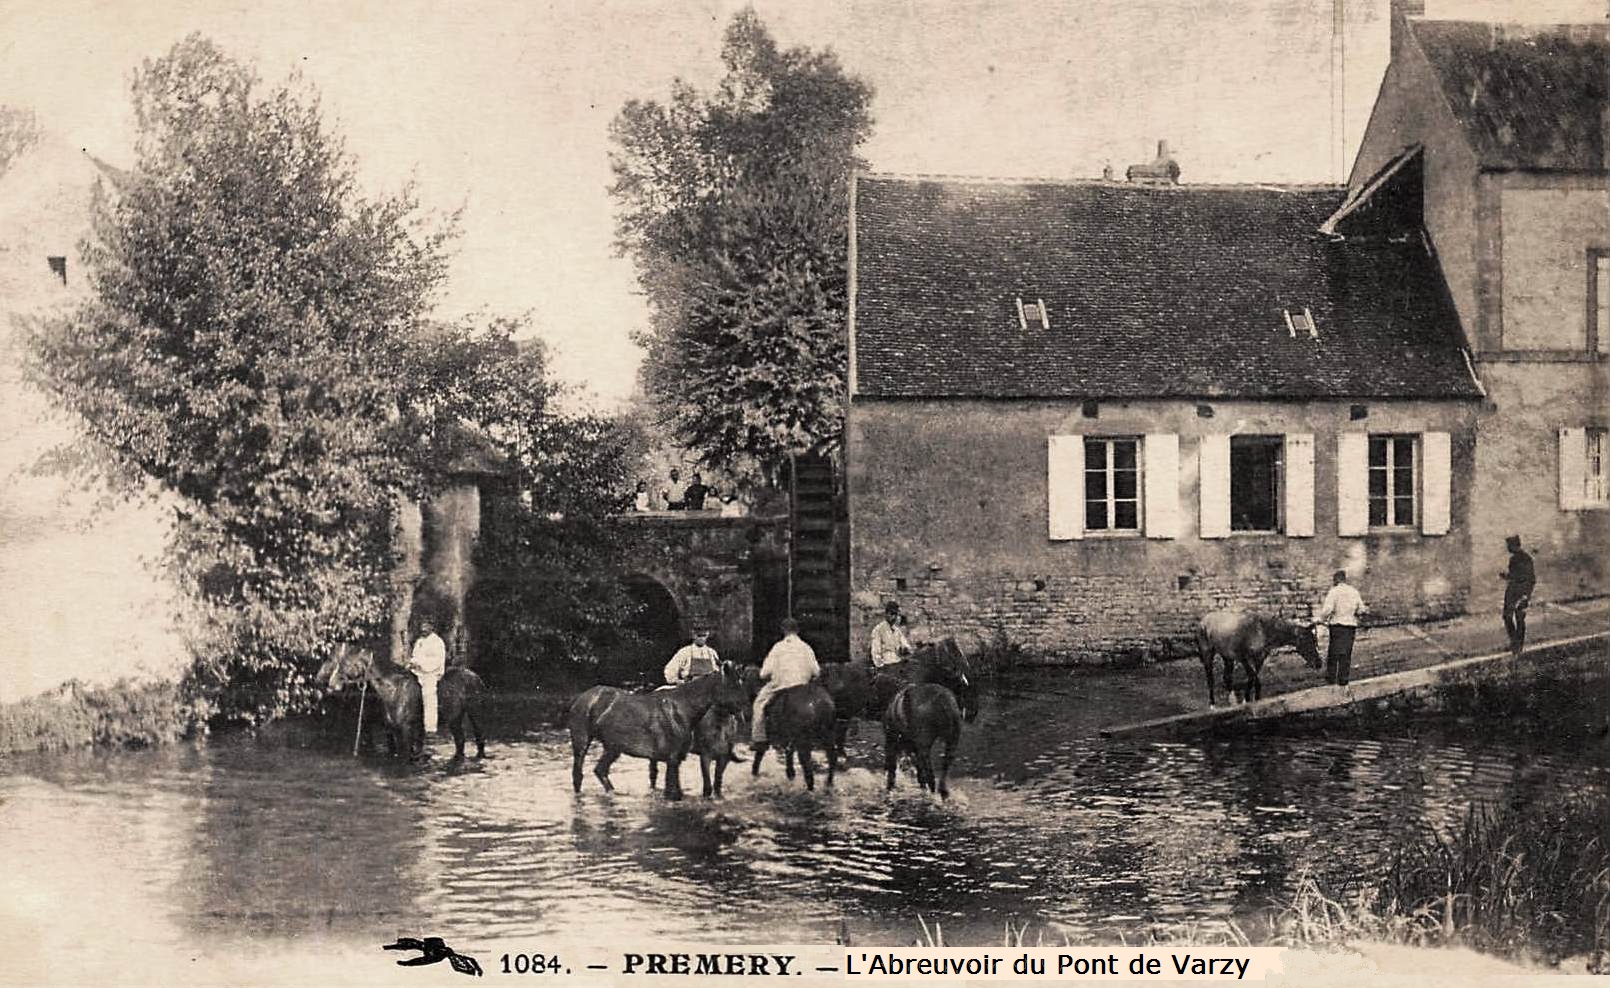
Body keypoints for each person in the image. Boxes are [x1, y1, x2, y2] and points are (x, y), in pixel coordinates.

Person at [751, 617, 820, 748]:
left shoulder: (778, 647)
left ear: (783, 630)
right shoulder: (806, 648)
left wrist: (766, 675)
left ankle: (759, 739)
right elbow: (816, 671)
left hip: (780, 685)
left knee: (759, 704)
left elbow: (764, 672)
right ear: (798, 631)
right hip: (803, 686)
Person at [1316, 569, 1367, 687]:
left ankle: (1331, 678)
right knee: (1346, 653)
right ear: (1345, 579)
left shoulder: (1334, 592)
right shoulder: (1354, 591)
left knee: (1334, 652)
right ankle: (1343, 679)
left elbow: (1327, 610)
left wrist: (1321, 619)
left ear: (1336, 579)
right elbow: (1361, 609)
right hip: (1350, 627)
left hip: (1337, 626)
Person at [409, 619, 448, 735]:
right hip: (417, 671)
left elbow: (437, 660)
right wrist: (412, 662)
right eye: (422, 626)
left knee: (428, 694)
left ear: (432, 627)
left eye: (426, 626)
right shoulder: (420, 641)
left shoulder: (437, 642)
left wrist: (420, 664)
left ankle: (430, 728)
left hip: (431, 672)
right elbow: (415, 655)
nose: (423, 629)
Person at [1501, 535, 1536, 656]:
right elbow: (1515, 575)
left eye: (1509, 546)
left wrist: (1526, 596)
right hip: (1512, 592)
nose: (1507, 548)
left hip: (1521, 592)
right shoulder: (1514, 559)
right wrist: (1506, 576)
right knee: (1507, 616)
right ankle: (1514, 641)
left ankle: (1518, 645)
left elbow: (1530, 579)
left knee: (1519, 617)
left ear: (1514, 546)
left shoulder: (1526, 559)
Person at [869, 600, 913, 668]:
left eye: (896, 614)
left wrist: (906, 649)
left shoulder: (897, 631)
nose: (894, 617)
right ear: (886, 614)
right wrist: (880, 666)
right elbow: (876, 651)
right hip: (886, 664)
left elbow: (905, 644)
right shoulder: (878, 630)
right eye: (892, 614)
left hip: (897, 663)